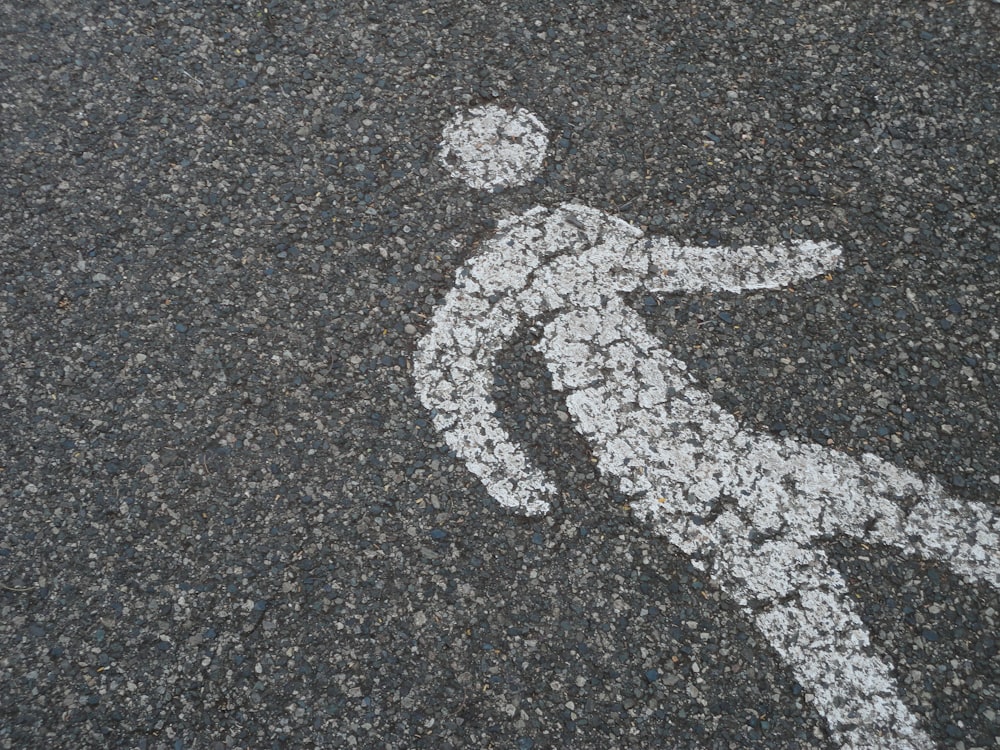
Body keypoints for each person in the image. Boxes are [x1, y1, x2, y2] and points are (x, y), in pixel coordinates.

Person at [416, 108, 1000, 750]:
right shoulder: (539, 249)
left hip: (683, 475)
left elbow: (450, 368)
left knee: (818, 605)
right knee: (879, 531)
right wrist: (509, 475)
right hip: (692, 470)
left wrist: (510, 474)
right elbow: (453, 367)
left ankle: (878, 728)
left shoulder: (551, 243)